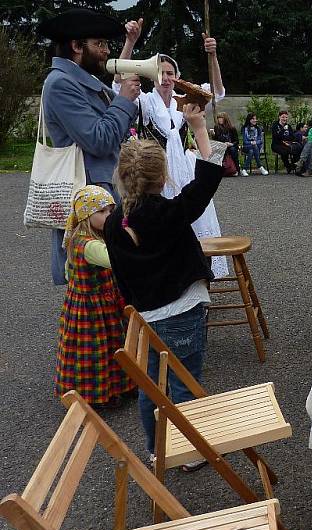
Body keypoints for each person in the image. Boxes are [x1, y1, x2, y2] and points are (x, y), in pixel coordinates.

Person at [104, 104, 223, 464]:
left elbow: (120, 277)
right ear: (162, 178)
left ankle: (157, 450)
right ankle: (189, 453)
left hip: (144, 320)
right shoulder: (169, 214)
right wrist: (199, 126)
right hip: (183, 313)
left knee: (151, 388)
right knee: (184, 383)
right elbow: (206, 179)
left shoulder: (112, 223)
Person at [118, 19, 229, 277]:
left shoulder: (187, 101)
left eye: (170, 73)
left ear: (176, 77)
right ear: (152, 76)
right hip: (157, 172)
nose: (165, 78)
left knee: (195, 216)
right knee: (163, 225)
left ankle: (198, 272)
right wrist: (129, 42)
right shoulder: (144, 102)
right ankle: (167, 273)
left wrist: (212, 56)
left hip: (185, 169)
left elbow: (218, 91)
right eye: (160, 72)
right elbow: (119, 83)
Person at [38, 7, 141, 286]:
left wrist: (124, 97)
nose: (106, 51)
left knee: (115, 285)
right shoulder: (60, 84)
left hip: (103, 196)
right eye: (100, 44)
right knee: (97, 288)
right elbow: (98, 139)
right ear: (76, 46)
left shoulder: (84, 81)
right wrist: (123, 100)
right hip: (90, 204)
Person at [56, 185, 135, 408]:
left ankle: (120, 386)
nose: (108, 216)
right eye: (102, 212)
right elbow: (115, 259)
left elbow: (67, 272)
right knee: (97, 352)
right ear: (86, 215)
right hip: (92, 309)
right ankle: (99, 394)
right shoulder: (88, 245)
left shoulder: (77, 238)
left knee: (113, 345)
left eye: (111, 211)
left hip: (94, 303)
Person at [212, 112, 240, 176]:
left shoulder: (232, 128)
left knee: (232, 150)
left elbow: (236, 141)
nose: (219, 120)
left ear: (225, 119)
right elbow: (217, 139)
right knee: (219, 150)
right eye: (218, 118)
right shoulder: (217, 127)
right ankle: (222, 170)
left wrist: (231, 144)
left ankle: (236, 169)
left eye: (221, 118)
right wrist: (213, 135)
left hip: (231, 145)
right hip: (221, 145)